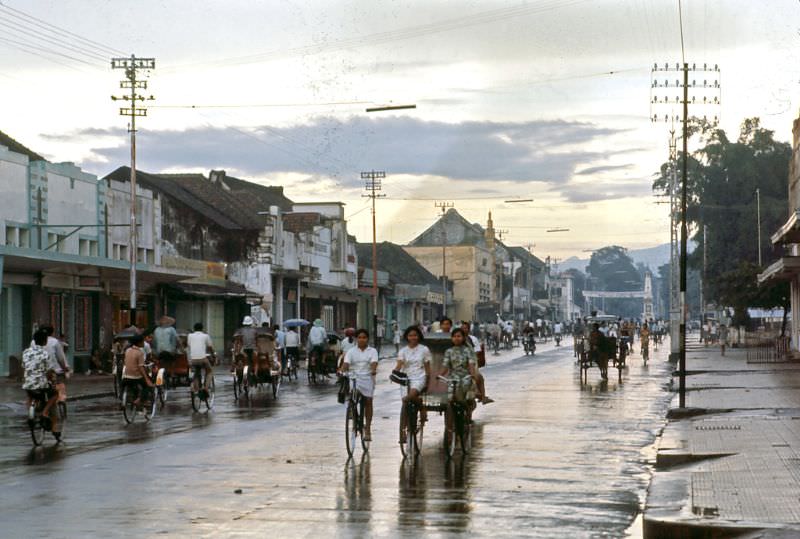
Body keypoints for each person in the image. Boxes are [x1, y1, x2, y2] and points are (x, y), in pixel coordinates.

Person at [394, 325, 432, 443]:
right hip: (406, 379)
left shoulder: (424, 349)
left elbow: (427, 368)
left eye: (415, 335)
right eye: (410, 335)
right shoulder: (403, 351)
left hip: (419, 377)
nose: (413, 337)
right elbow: (399, 365)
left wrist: (428, 381)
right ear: (407, 337)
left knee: (407, 398)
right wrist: (395, 373)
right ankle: (403, 432)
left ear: (418, 336)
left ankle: (421, 407)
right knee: (405, 404)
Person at [341, 328, 379, 441]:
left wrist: (373, 370)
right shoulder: (351, 351)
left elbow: (374, 363)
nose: (362, 340)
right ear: (356, 339)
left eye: (364, 337)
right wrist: (342, 370)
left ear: (367, 339)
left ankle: (367, 429)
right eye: (359, 338)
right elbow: (346, 363)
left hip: (367, 377)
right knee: (353, 394)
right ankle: (353, 411)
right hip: (354, 377)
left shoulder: (372, 351)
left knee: (368, 401)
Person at [23, 330, 60, 435]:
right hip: (41, 384)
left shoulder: (26, 352)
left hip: (28, 383)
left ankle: (31, 415)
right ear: (45, 341)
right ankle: (44, 412)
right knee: (54, 394)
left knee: (30, 395)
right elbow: (49, 371)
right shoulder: (45, 353)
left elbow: (24, 367)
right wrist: (52, 379)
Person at [440, 328, 479, 422]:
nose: (456, 338)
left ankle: (467, 412)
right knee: (449, 399)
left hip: (465, 377)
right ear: (452, 338)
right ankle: (450, 424)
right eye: (454, 336)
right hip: (452, 378)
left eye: (459, 336)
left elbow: (471, 365)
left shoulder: (468, 351)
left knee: (463, 399)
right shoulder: (449, 351)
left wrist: (473, 376)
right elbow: (445, 366)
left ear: (463, 338)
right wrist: (439, 376)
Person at [34, 325, 70, 407]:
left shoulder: (33, 342)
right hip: (53, 370)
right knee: (59, 384)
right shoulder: (55, 342)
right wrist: (65, 368)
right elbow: (60, 358)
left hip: (37, 372)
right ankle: (61, 398)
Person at [122, 333, 153, 407]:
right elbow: (141, 367)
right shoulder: (139, 353)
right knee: (147, 386)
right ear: (139, 343)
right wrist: (147, 379)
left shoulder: (128, 350)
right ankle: (140, 400)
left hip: (126, 376)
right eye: (142, 342)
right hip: (136, 377)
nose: (143, 343)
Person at [187, 323, 214, 391]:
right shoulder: (205, 336)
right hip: (202, 359)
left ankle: (197, 389)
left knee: (195, 373)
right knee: (209, 371)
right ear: (202, 329)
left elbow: (189, 346)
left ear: (194, 329)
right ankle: (206, 388)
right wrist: (213, 354)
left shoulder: (190, 336)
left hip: (192, 360)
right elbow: (210, 347)